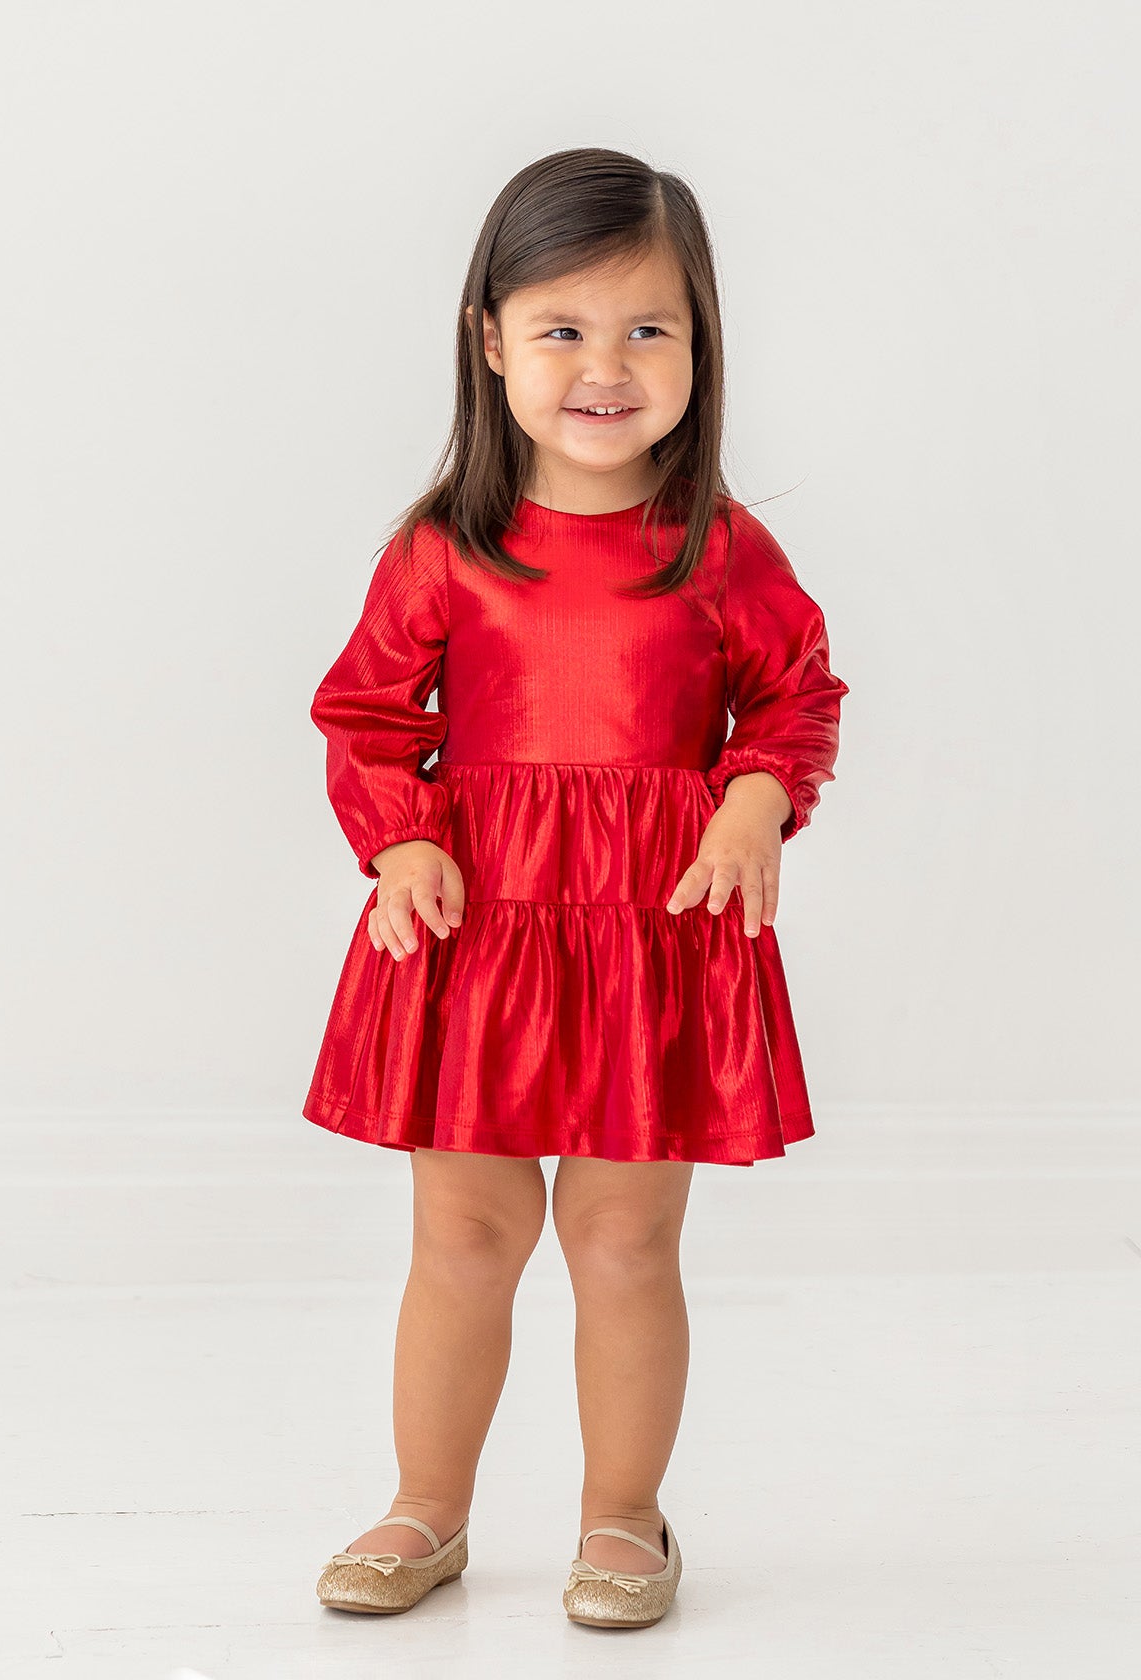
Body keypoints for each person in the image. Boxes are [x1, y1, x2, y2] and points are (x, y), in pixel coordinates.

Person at [305, 146, 850, 1629]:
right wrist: (402, 837)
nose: (603, 367)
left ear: (699, 348)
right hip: (474, 932)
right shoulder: (447, 552)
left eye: (646, 330)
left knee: (624, 1240)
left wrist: (750, 804)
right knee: (464, 1240)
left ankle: (626, 1521)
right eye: (561, 328)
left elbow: (795, 702)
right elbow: (364, 716)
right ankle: (428, 1507)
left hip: (650, 933)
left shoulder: (723, 552)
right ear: (490, 340)